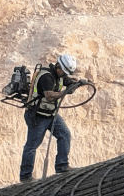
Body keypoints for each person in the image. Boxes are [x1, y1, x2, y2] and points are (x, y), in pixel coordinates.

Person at [19, 51, 82, 181]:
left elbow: (69, 83)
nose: (65, 75)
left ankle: (62, 165)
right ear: (59, 67)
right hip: (37, 116)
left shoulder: (61, 76)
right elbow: (49, 96)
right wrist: (65, 92)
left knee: (64, 134)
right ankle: (25, 176)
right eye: (64, 72)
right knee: (32, 145)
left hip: (51, 114)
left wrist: (78, 84)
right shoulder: (46, 77)